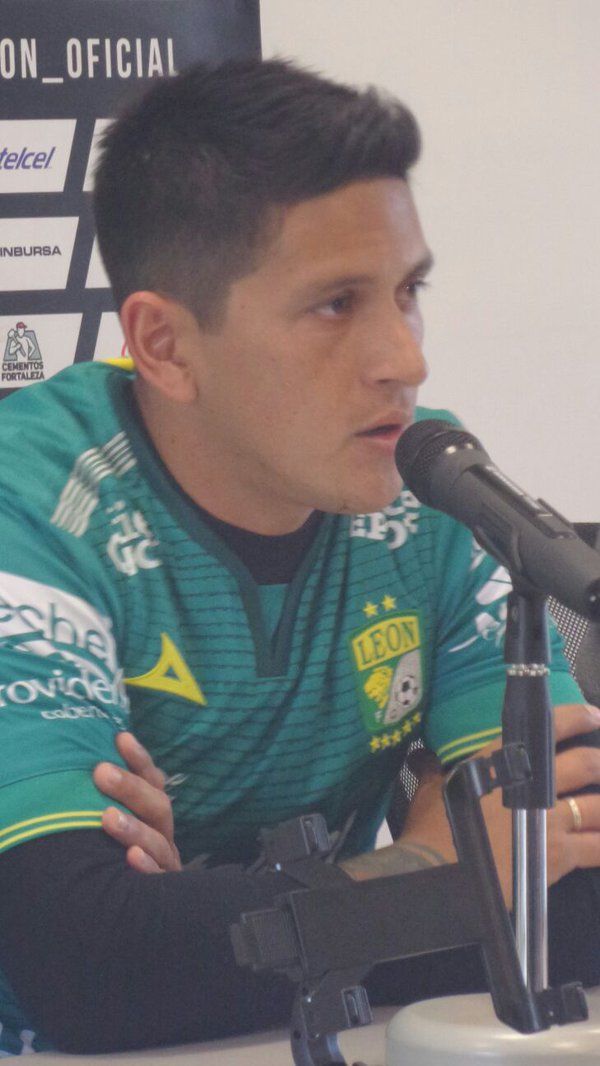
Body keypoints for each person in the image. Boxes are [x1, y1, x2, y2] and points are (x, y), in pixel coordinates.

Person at [0, 58, 599, 1056]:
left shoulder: (430, 493)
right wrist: (427, 872)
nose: (406, 358)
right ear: (165, 346)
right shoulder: (32, 504)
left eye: (408, 291)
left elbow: (574, 901)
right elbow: (84, 966)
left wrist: (217, 929)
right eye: (335, 305)